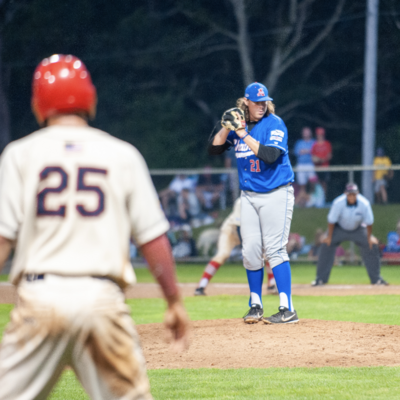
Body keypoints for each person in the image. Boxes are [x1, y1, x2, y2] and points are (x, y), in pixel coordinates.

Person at [0, 54, 189, 399]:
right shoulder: (122, 154)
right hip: (102, 301)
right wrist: (174, 301)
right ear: (90, 98)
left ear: (38, 102)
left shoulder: (19, 154)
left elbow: (1, 239)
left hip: (39, 298)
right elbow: (153, 239)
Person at [208, 82, 298, 325]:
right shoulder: (240, 125)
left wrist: (242, 134)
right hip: (248, 196)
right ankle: (255, 305)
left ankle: (287, 308)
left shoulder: (275, 123)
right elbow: (214, 149)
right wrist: (227, 127)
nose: (262, 105)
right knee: (250, 251)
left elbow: (270, 156)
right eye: (257, 102)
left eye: (264, 101)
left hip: (276, 193)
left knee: (275, 249)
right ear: (246, 102)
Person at [194, 198, 276, 296]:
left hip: (250, 233)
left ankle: (271, 285)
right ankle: (201, 286)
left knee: (266, 253)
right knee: (223, 255)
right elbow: (239, 227)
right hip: (230, 232)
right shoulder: (242, 201)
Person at [312, 183, 388, 286]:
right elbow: (331, 221)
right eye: (349, 194)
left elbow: (369, 222)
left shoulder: (364, 203)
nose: (352, 196)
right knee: (326, 244)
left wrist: (369, 237)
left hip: (358, 228)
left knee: (372, 245)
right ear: (345, 194)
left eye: (354, 194)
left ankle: (376, 279)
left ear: (358, 194)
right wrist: (329, 237)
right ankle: (320, 279)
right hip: (339, 228)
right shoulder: (338, 202)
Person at [293, 126, 316, 199]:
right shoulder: (299, 142)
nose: (306, 134)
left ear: (310, 133)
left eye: (307, 132)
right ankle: (304, 199)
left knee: (313, 181)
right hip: (301, 165)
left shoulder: (314, 142)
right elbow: (297, 152)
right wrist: (308, 151)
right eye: (304, 132)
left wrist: (305, 151)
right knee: (302, 183)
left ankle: (312, 197)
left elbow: (315, 152)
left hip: (311, 164)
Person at [311, 127, 332, 195]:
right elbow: (312, 157)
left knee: (324, 183)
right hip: (316, 168)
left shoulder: (327, 143)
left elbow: (329, 155)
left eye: (321, 134)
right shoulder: (315, 145)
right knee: (315, 183)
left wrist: (322, 160)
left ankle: (323, 199)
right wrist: (317, 159)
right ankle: (316, 199)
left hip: (325, 167)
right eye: (318, 134)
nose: (319, 136)